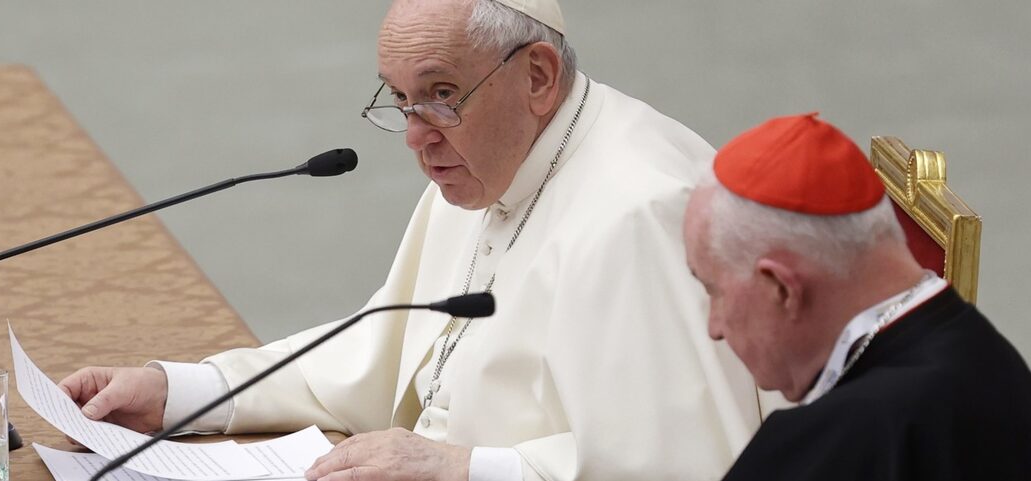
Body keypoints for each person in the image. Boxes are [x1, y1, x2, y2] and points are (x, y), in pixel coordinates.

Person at [60, 1, 763, 479]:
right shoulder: (487, 165)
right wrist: (184, 391)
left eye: (440, 93)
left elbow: (691, 464)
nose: (416, 136)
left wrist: (458, 466)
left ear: (538, 77)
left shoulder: (640, 210)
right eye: (398, 100)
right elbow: (377, 350)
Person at [682, 112, 1031, 480]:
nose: (714, 327)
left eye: (714, 289)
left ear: (782, 288)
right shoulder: (1001, 371)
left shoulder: (833, 447)